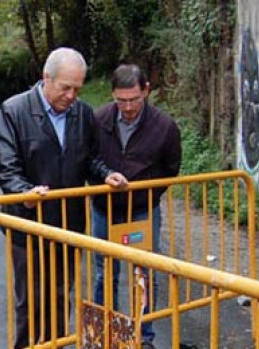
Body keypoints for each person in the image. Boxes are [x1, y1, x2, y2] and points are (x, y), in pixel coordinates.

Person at [0, 47, 128, 348]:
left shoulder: (83, 113)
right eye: (66, 88)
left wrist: (105, 174)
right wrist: (22, 192)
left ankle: (55, 344)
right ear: (46, 79)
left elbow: (91, 157)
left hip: (68, 223)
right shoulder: (14, 111)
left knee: (60, 295)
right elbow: (5, 165)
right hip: (28, 225)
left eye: (77, 89)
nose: (72, 96)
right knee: (30, 301)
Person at [90, 64, 182, 347]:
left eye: (134, 100)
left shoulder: (164, 127)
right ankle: (105, 332)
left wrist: (147, 195)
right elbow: (88, 158)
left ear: (146, 91)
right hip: (104, 209)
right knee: (104, 273)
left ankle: (144, 336)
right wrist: (105, 173)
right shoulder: (99, 119)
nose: (128, 107)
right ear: (113, 96)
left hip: (142, 211)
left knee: (144, 272)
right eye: (121, 100)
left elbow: (171, 168)